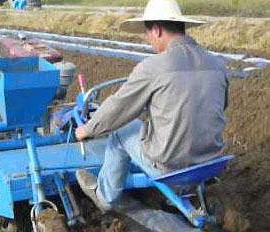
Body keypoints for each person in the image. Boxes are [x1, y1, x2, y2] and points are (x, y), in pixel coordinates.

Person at [75, 0, 228, 212]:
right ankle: (188, 191)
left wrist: (87, 129)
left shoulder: (153, 67)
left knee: (121, 131)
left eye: (147, 34)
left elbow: (118, 109)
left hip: (171, 167)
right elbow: (220, 106)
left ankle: (104, 196)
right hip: (212, 160)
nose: (148, 41)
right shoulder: (217, 64)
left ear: (156, 30)